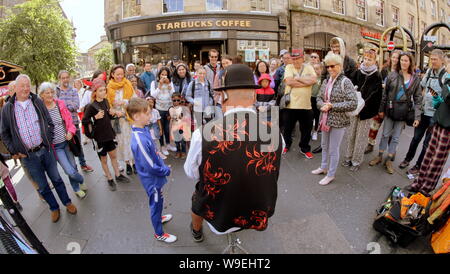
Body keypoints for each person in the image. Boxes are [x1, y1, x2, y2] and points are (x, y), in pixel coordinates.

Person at [185, 64, 282, 242]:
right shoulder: (275, 133)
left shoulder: (203, 134)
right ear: (254, 95)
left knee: (197, 194)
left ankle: (196, 231)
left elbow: (191, 173)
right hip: (259, 208)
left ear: (224, 96)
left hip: (219, 213)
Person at [0, 74, 77, 223]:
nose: (25, 88)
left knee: (57, 179)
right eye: (22, 85)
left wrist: (47, 139)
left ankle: (67, 202)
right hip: (28, 156)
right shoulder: (8, 108)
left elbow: (49, 122)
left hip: (45, 150)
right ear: (15, 88)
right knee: (42, 185)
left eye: (27, 85)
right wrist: (14, 150)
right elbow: (4, 133)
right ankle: (54, 208)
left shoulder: (37, 101)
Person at [127, 97, 176, 243]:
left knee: (159, 199)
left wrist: (160, 159)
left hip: (155, 175)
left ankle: (159, 217)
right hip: (152, 179)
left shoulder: (143, 130)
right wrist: (165, 170)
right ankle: (159, 233)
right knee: (155, 203)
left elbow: (153, 152)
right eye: (147, 113)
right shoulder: (139, 139)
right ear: (136, 116)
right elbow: (149, 166)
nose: (150, 116)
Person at [369, 52, 422, 174]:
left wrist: (417, 117)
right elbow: (385, 95)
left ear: (410, 63)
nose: (403, 62)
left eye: (406, 60)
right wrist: (381, 109)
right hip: (390, 110)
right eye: (402, 60)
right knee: (385, 134)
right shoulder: (392, 75)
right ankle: (380, 156)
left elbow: (418, 99)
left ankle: (389, 160)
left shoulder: (415, 79)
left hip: (403, 113)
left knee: (396, 138)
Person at [312, 53, 358, 186]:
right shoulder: (326, 81)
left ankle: (331, 174)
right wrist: (323, 105)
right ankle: (323, 167)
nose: (330, 69)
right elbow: (319, 98)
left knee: (333, 148)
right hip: (325, 118)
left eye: (333, 66)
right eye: (328, 66)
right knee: (324, 145)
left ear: (339, 66)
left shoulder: (345, 82)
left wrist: (332, 106)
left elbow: (352, 103)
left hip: (339, 120)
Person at [405, 61, 450, 194]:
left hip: (448, 128)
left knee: (436, 161)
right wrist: (438, 102)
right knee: (428, 156)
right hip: (438, 120)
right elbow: (442, 102)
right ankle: (418, 183)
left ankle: (426, 188)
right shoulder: (447, 81)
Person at [399, 49, 447, 171]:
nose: (432, 61)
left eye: (435, 59)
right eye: (431, 59)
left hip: (434, 115)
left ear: (442, 60)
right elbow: (421, 87)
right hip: (423, 112)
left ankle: (418, 166)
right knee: (415, 139)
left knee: (427, 143)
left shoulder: (446, 75)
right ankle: (407, 159)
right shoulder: (429, 71)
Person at [39, 82, 87, 199]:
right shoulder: (40, 109)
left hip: (67, 143)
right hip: (55, 146)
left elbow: (69, 121)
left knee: (73, 167)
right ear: (42, 95)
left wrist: (71, 131)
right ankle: (81, 179)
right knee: (69, 171)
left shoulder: (59, 104)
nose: (50, 95)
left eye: (51, 92)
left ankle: (76, 188)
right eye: (47, 93)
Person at [83, 78, 130, 191]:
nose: (104, 92)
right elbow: (84, 121)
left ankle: (118, 175)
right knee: (104, 160)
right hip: (99, 138)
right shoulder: (91, 106)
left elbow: (108, 117)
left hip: (109, 134)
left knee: (113, 156)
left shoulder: (105, 102)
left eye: (104, 90)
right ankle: (109, 178)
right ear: (95, 92)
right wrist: (95, 118)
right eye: (100, 90)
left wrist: (114, 114)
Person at [313, 37, 357, 154]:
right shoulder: (328, 59)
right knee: (324, 121)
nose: (335, 49)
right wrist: (323, 88)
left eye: (337, 46)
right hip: (327, 93)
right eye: (333, 47)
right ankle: (324, 146)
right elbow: (323, 76)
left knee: (337, 127)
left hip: (340, 96)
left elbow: (352, 82)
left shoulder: (350, 62)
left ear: (343, 47)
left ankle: (333, 149)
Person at [343, 49, 383, 172]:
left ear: (374, 60)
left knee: (361, 136)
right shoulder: (358, 72)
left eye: (369, 59)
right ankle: (348, 157)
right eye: (365, 58)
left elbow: (376, 95)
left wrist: (364, 103)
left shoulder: (377, 76)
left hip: (366, 111)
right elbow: (350, 85)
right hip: (355, 108)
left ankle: (356, 161)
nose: (366, 61)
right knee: (351, 134)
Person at [282, 48, 318, 158]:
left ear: (302, 58)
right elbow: (289, 81)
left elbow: (313, 80)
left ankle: (304, 148)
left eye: (298, 58)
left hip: (306, 105)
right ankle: (287, 144)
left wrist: (297, 79)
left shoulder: (309, 67)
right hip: (290, 105)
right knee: (287, 128)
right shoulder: (289, 67)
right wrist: (305, 82)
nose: (295, 61)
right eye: (293, 59)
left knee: (306, 129)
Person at [56, 71, 94, 173]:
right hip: (62, 125)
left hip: (74, 123)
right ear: (59, 79)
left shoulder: (73, 91)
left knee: (78, 144)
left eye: (67, 77)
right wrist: (68, 105)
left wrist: (63, 106)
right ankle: (74, 168)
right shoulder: (56, 91)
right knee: (68, 148)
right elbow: (56, 108)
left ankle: (83, 164)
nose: (65, 80)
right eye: (63, 78)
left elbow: (76, 106)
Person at [365, 50, 401, 154]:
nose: (395, 60)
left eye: (397, 58)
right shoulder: (385, 70)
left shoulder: (401, 72)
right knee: (374, 126)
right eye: (393, 57)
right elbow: (378, 84)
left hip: (394, 105)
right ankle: (370, 144)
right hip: (381, 102)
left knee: (390, 130)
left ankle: (391, 150)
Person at [107, 65, 137, 175]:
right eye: (117, 74)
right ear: (112, 74)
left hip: (128, 118)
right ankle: (127, 164)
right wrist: (115, 111)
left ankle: (134, 163)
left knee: (131, 141)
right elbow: (108, 105)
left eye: (121, 74)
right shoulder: (109, 87)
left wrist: (125, 102)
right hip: (117, 120)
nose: (120, 76)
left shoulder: (128, 84)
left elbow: (134, 100)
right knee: (121, 142)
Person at [150, 67, 176, 156]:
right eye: (162, 74)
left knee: (167, 128)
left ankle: (168, 144)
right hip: (159, 108)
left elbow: (173, 94)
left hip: (168, 108)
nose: (164, 76)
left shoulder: (170, 82)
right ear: (159, 75)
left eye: (166, 74)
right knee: (160, 129)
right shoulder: (154, 83)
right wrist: (160, 86)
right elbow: (153, 95)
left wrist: (169, 85)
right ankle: (162, 146)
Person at [168, 93, 191, 159]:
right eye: (174, 100)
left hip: (182, 127)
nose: (176, 102)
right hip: (174, 127)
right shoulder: (171, 108)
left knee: (183, 141)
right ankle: (178, 151)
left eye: (178, 100)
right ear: (172, 100)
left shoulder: (183, 108)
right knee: (177, 141)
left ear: (180, 100)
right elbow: (171, 117)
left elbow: (187, 117)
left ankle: (183, 152)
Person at [311, 63, 323, 141]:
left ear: (321, 69)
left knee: (317, 115)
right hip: (310, 98)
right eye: (314, 69)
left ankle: (315, 131)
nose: (316, 70)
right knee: (310, 116)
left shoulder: (322, 78)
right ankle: (309, 130)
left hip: (317, 99)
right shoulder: (311, 77)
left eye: (317, 69)